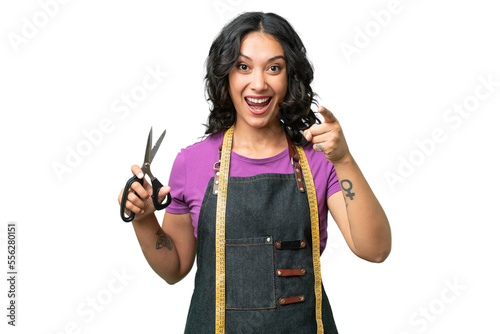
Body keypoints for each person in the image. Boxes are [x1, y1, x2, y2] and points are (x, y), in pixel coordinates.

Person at [118, 11, 391, 333]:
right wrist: (143, 218)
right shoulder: (193, 162)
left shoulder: (319, 159)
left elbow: (375, 250)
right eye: (243, 67)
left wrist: (343, 159)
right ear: (225, 76)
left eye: (274, 68)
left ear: (290, 77)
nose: (258, 83)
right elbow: (174, 269)